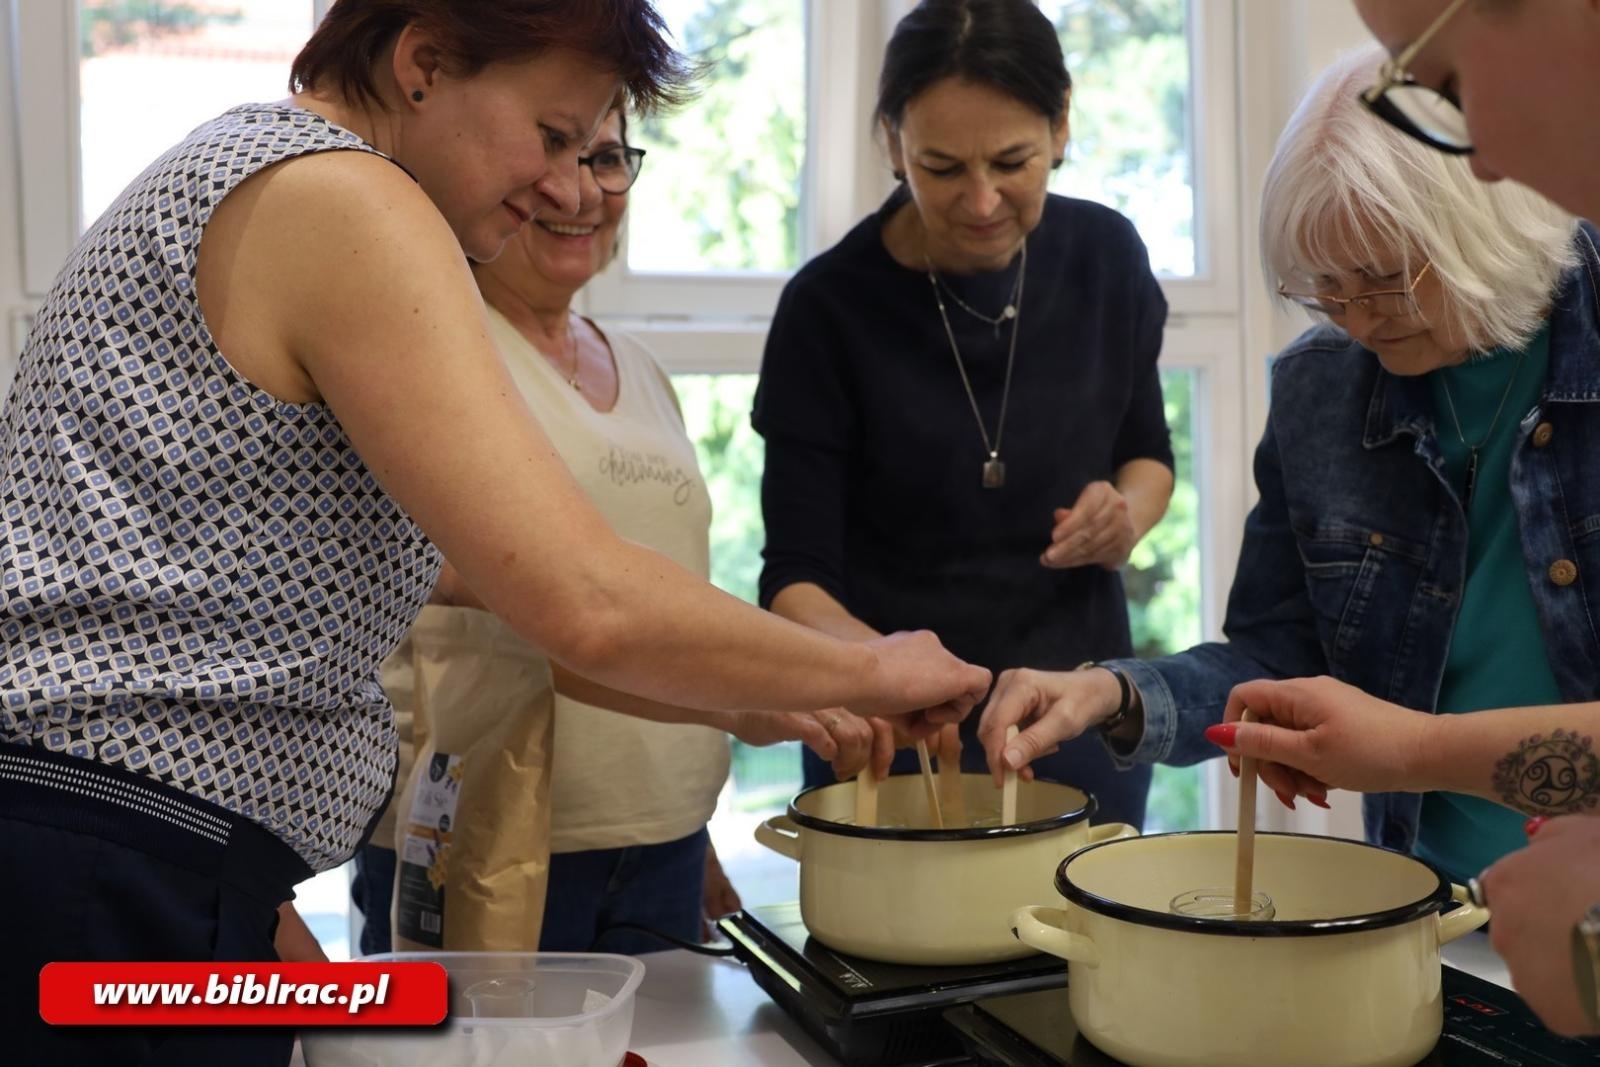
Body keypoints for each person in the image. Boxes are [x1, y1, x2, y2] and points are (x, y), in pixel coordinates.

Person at [0, 3, 990, 1063]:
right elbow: (584, 599)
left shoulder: (254, 173)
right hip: (113, 857)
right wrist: (879, 665)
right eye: (553, 135)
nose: (572, 188)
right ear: (423, 63)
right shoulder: (343, 195)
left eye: (597, 151)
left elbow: (479, 587)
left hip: (145, 853)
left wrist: (777, 694)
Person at [977, 43, 1598, 912]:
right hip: (1453, 905)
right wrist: (1110, 691)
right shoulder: (1325, 385)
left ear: (1483, 231)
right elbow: (1277, 653)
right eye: (1323, 287)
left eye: (1383, 282)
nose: (1355, 319)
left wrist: (1411, 748)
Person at [351, 109, 874, 956]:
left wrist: (687, 830)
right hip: (483, 840)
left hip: (662, 846)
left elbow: (662, 588)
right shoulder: (437, 347)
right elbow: (504, 592)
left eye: (605, 158)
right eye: (552, 152)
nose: (582, 191)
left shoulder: (639, 367)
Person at [753, 0, 1174, 826]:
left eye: (1013, 162)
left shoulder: (1107, 257)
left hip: (1072, 710)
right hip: (888, 727)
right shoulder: (828, 309)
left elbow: (1147, 454)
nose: (982, 202)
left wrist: (1126, 515)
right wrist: (886, 673)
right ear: (890, 143)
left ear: (1060, 127)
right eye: (942, 168)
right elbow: (794, 582)